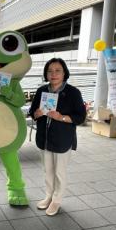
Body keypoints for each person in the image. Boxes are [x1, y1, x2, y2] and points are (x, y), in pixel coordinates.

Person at [29, 58, 86, 216]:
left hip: (62, 139)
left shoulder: (73, 93)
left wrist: (61, 117)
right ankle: (48, 196)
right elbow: (32, 112)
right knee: (47, 171)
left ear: (64, 73)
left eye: (57, 70)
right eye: (50, 71)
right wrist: (37, 113)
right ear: (46, 74)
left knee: (59, 172)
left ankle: (57, 200)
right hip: (44, 139)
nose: (53, 74)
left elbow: (80, 117)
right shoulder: (42, 91)